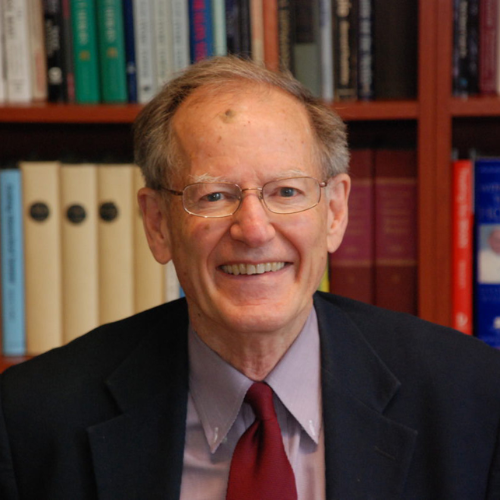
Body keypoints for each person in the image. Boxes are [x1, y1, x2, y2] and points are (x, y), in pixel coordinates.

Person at [1, 56, 500, 500]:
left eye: (286, 191)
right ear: (157, 225)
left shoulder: (475, 401)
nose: (254, 230)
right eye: (214, 196)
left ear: (335, 212)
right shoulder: (32, 420)